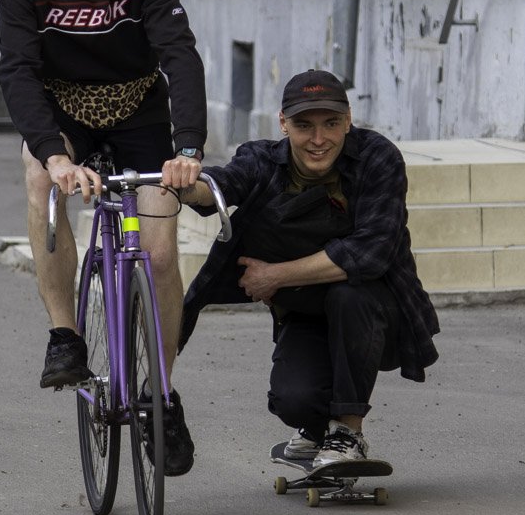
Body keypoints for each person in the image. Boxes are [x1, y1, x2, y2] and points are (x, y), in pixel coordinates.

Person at [0, 0, 205, 476]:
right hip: (61, 114)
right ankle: (66, 334)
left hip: (139, 108)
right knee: (40, 181)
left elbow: (180, 54)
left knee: (162, 253)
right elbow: (18, 71)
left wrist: (189, 150)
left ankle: (159, 392)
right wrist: (55, 156)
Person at [176, 69, 440, 466]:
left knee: (350, 294)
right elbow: (221, 186)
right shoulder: (261, 160)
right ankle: (316, 432)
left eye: (331, 124)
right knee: (291, 400)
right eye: (304, 126)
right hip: (307, 310)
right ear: (283, 123)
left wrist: (274, 276)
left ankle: (349, 433)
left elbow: (370, 251)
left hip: (376, 309)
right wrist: (185, 181)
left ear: (348, 119)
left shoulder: (377, 157)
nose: (319, 140)